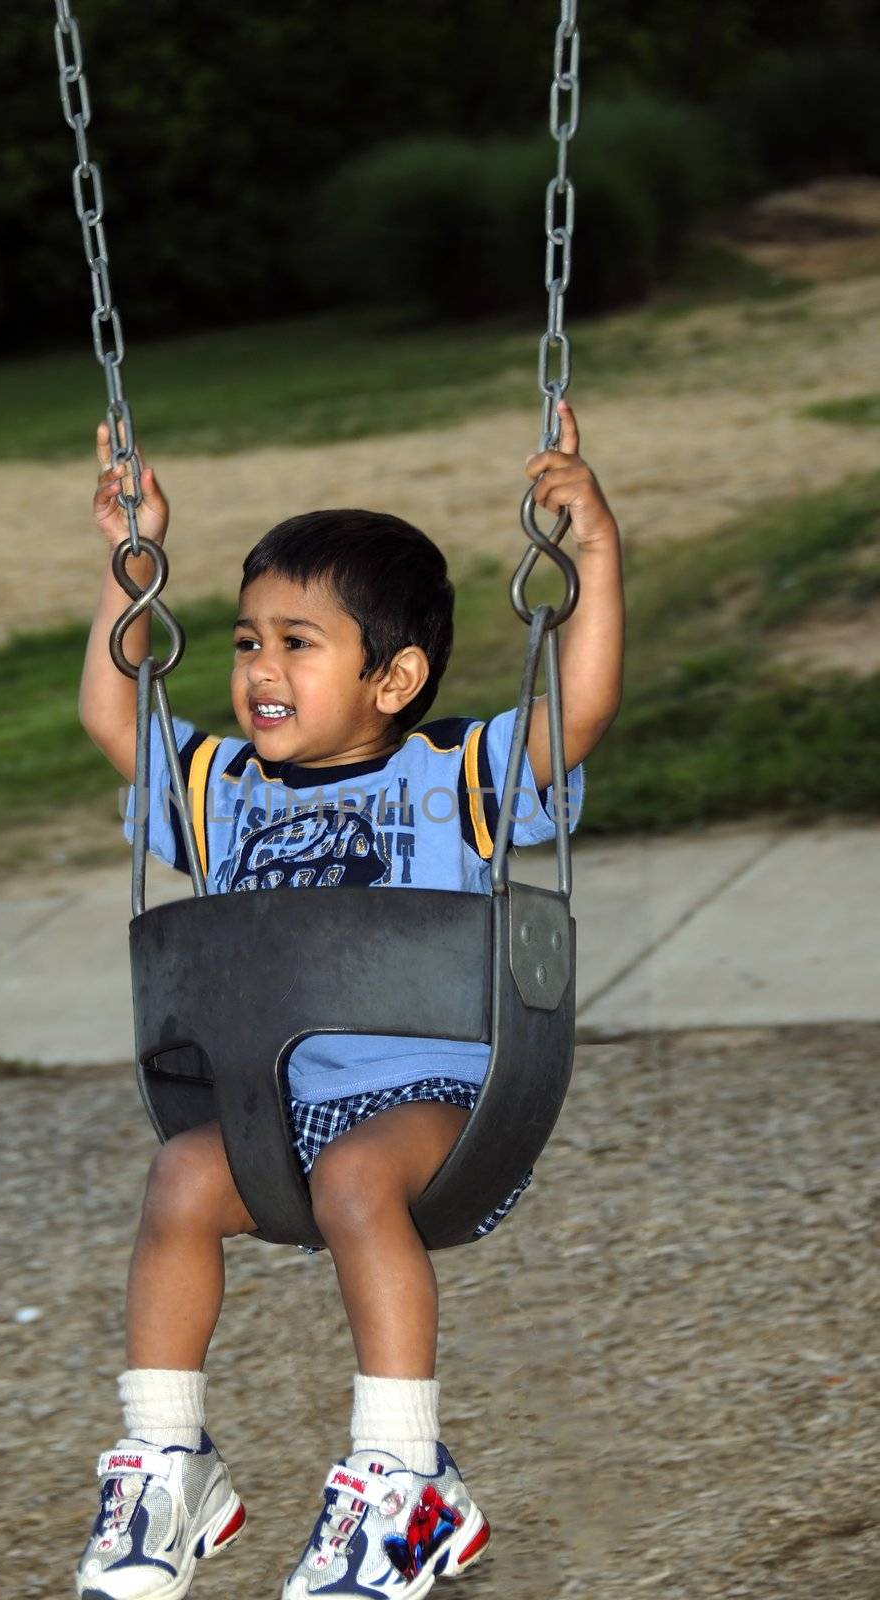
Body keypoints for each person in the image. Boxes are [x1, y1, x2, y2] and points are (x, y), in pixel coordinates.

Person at [75, 399, 624, 1600]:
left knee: (358, 1180)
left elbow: (573, 717)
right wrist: (127, 569)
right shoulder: (224, 789)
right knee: (178, 1180)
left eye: (297, 643)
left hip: (436, 1102)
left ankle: (402, 1478)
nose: (259, 668)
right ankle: (169, 1460)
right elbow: (112, 713)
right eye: (244, 640)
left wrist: (594, 559)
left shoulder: (454, 777)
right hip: (280, 1105)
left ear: (396, 677)